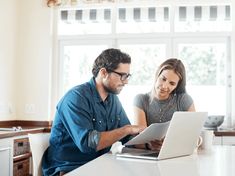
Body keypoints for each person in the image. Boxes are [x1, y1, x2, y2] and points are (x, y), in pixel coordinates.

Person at [42, 48, 144, 176]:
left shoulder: (113, 99)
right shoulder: (76, 97)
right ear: (104, 73)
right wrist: (127, 129)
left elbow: (127, 137)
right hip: (68, 168)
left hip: (97, 165)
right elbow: (88, 144)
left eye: (127, 76)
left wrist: (149, 143)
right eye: (122, 76)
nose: (126, 81)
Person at [133, 58, 195, 151]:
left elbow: (193, 134)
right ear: (157, 75)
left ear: (176, 86)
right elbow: (139, 141)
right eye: (163, 79)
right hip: (149, 157)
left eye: (172, 83)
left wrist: (196, 140)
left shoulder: (184, 100)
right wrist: (150, 145)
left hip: (176, 155)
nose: (165, 86)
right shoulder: (141, 100)